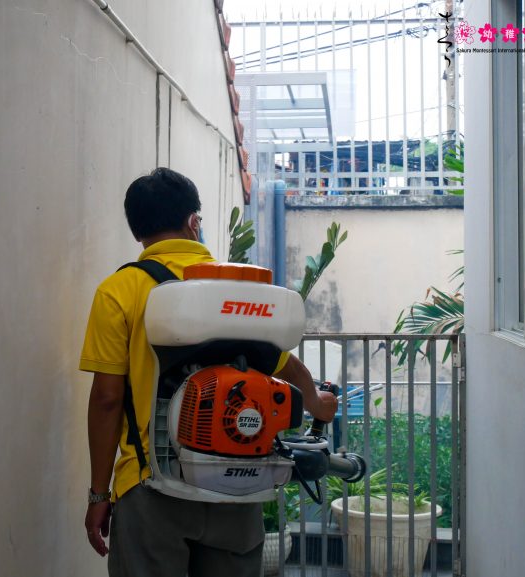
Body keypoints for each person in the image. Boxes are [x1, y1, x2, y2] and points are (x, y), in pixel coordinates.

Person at [80, 167, 338, 577]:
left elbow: (107, 399)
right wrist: (317, 403)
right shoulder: (239, 289)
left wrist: (99, 495)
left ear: (137, 231)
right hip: (236, 484)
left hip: (151, 486)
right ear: (193, 222)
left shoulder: (118, 292)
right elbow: (284, 364)